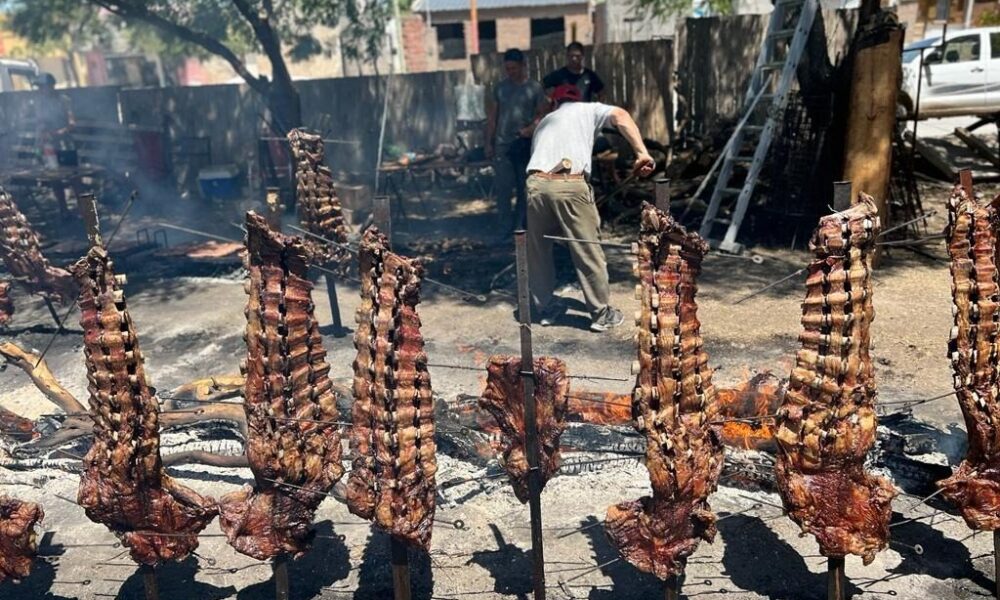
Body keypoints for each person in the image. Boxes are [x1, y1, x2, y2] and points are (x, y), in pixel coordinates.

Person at [525, 84, 655, 332]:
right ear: (581, 99)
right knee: (587, 248)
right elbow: (621, 116)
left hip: (535, 185)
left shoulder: (545, 121)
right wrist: (642, 153)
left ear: (555, 102)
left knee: (539, 249)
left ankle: (545, 310)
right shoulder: (589, 109)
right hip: (569, 183)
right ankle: (600, 314)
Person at [486, 48, 547, 231]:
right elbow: (492, 117)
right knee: (503, 189)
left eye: (514, 68)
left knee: (524, 188)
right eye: (508, 68)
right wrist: (488, 142)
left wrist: (531, 128)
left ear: (523, 66)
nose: (511, 72)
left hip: (523, 145)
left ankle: (520, 227)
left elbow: (542, 115)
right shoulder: (500, 88)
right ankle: (504, 228)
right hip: (503, 145)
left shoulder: (534, 88)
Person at [32, 73, 76, 167]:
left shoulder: (64, 100)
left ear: (51, 86)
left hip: (65, 145)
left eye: (43, 87)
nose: (40, 90)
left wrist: (59, 132)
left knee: (70, 172)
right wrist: (38, 149)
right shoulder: (40, 103)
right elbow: (40, 124)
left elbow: (72, 123)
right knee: (50, 173)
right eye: (39, 87)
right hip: (47, 146)